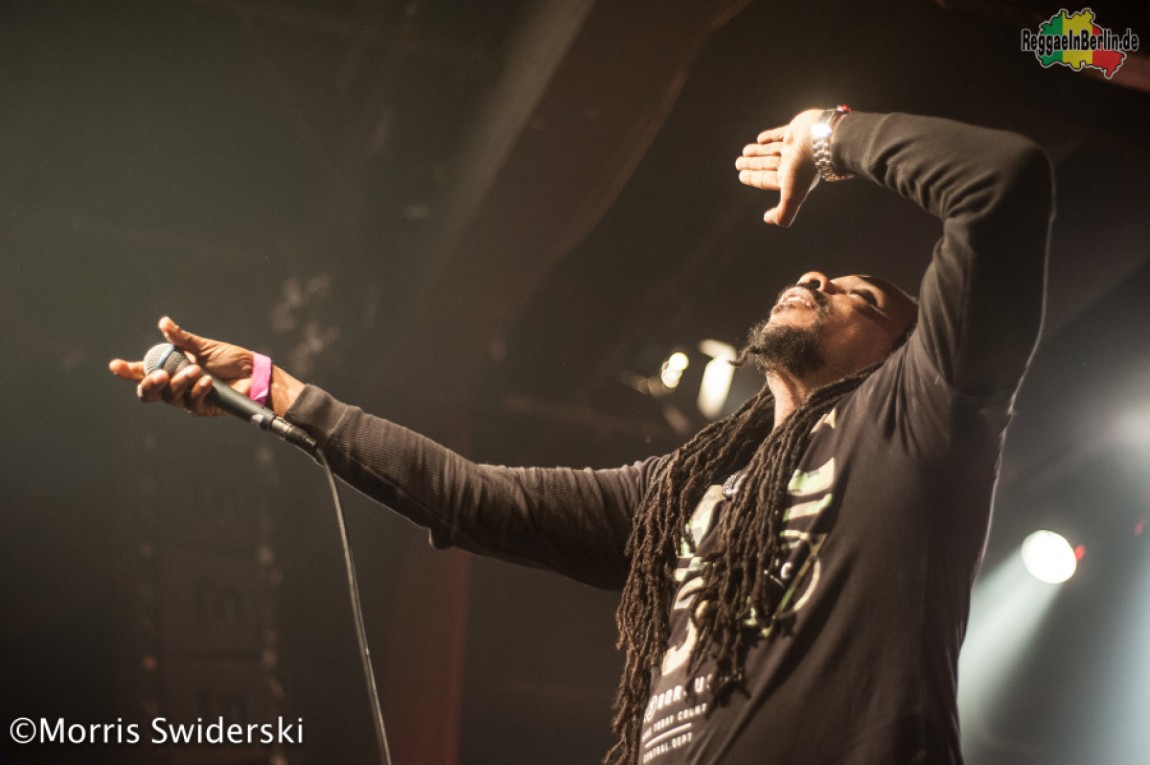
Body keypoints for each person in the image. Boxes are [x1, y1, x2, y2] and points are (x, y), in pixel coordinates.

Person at [111, 106, 1053, 764]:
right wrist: (275, 390)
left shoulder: (918, 414)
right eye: (821, 274)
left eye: (859, 293)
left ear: (911, 347)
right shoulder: (679, 491)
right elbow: (468, 494)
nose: (817, 277)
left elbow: (1000, 181)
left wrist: (829, 134)